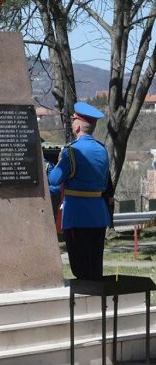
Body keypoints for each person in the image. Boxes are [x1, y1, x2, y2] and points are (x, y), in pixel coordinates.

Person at [47, 102, 114, 280]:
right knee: (94, 266)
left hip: (78, 214)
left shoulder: (72, 152)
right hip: (98, 214)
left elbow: (54, 179)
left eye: (74, 120)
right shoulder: (102, 150)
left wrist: (50, 165)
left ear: (77, 126)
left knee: (80, 268)